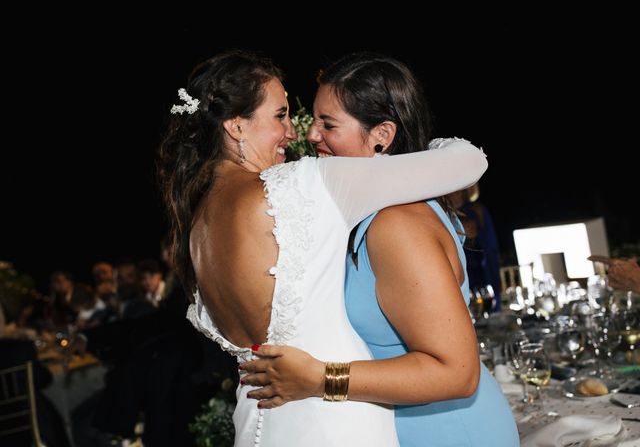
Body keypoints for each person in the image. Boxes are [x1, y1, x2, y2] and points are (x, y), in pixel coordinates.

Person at [157, 49, 487, 446]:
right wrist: (403, 147)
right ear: (236, 126)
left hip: (259, 425)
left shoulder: (196, 226)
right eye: (280, 116)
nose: (295, 133)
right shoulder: (306, 185)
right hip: (335, 419)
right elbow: (469, 162)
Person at [238, 53, 518, 446]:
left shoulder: (396, 224)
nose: (312, 135)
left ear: (382, 136)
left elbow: (457, 372)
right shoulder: (370, 214)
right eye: (315, 120)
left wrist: (320, 378)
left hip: (447, 432)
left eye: (328, 124)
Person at [448, 182, 502, 310]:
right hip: (458, 270)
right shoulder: (443, 214)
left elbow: (490, 247)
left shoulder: (476, 210)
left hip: (480, 270)